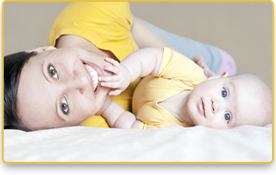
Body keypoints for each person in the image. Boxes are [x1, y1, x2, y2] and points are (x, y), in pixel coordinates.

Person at [4, 2, 235, 130]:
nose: (83, 80)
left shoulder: (88, 14)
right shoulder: (95, 125)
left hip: (151, 51)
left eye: (52, 72)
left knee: (223, 63)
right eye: (64, 106)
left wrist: (187, 63)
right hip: (170, 104)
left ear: (42, 50)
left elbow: (133, 27)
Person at [99, 47, 272, 129]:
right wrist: (127, 71)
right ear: (219, 77)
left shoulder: (175, 132)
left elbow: (130, 127)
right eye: (224, 92)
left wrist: (106, 107)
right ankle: (217, 61)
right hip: (141, 74)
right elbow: (154, 57)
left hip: (130, 104)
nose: (215, 105)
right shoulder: (191, 74)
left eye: (227, 117)